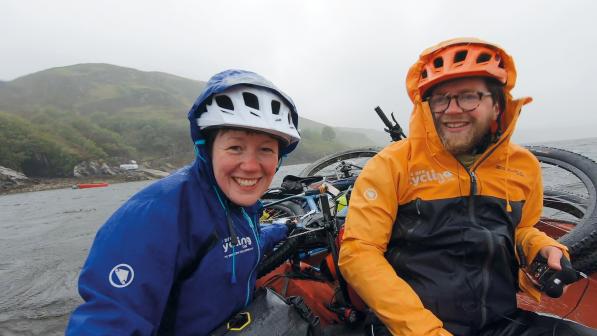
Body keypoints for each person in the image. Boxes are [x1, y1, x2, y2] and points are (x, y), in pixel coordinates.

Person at [338, 38, 597, 335]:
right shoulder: (392, 164)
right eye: (441, 98)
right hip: (407, 328)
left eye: (468, 96)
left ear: (497, 104)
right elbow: (359, 252)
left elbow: (522, 230)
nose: (452, 109)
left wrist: (543, 246)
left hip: (500, 323)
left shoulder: (523, 165)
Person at [66, 69, 301, 335]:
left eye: (266, 149)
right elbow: (109, 318)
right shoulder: (155, 215)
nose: (250, 166)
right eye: (235, 147)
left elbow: (240, 243)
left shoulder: (239, 203)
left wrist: (283, 228)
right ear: (207, 147)